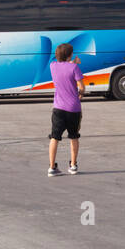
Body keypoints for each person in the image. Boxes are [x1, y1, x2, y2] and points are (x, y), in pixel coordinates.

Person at [47, 43, 85, 176]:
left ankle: (52, 167)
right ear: (69, 55)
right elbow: (81, 87)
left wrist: (70, 61)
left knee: (54, 137)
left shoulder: (53, 66)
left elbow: (62, 66)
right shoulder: (75, 67)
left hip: (58, 108)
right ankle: (73, 166)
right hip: (73, 108)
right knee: (74, 137)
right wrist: (80, 93)